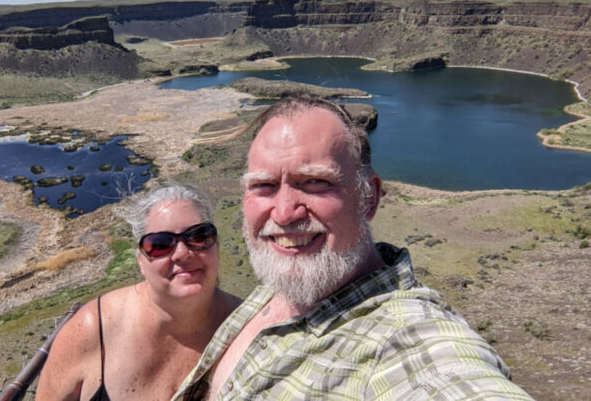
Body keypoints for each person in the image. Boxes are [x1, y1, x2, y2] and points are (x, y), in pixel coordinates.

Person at [172, 96, 533, 400]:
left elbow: (450, 379)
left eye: (314, 182)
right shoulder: (287, 283)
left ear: (369, 198)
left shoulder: (400, 341)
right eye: (263, 186)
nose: (283, 213)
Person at [37, 184, 241, 400]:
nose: (183, 253)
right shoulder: (92, 330)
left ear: (216, 245)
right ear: (140, 262)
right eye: (161, 244)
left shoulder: (248, 327)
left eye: (199, 236)